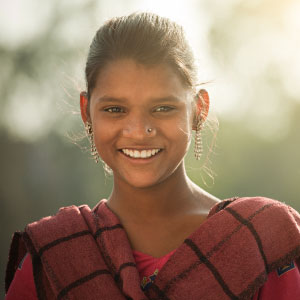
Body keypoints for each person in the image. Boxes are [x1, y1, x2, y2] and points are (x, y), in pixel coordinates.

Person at [5, 12, 300, 300]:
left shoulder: (259, 243)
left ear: (199, 110)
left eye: (162, 108)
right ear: (86, 112)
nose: (138, 130)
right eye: (115, 110)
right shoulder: (54, 260)